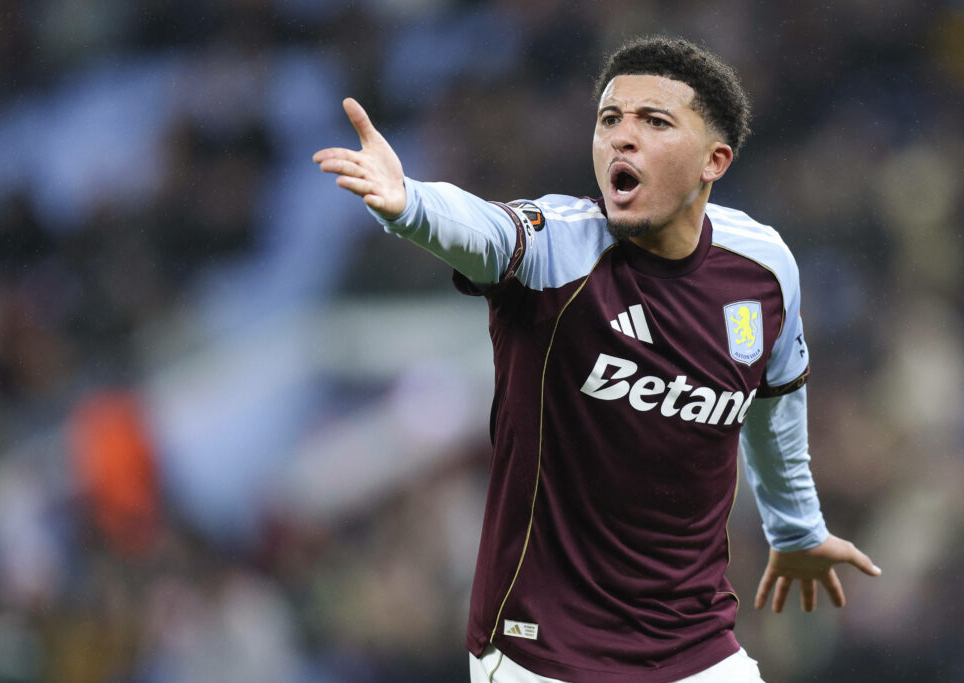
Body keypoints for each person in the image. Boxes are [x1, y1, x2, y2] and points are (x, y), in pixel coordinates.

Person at [314, 35, 880, 683]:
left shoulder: (765, 266)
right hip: (543, 649)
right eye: (610, 119)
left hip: (693, 644)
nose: (621, 137)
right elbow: (488, 231)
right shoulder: (560, 245)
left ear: (713, 160)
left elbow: (776, 399)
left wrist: (796, 528)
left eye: (655, 121)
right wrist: (411, 204)